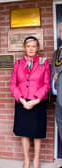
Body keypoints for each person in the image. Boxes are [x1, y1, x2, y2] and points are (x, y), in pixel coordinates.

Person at [10, 36, 50, 168]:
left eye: (33, 46)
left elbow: (46, 84)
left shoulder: (44, 62)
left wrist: (36, 100)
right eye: (28, 46)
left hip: (38, 101)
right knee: (24, 132)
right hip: (22, 101)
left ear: (37, 48)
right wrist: (21, 99)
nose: (31, 49)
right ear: (24, 48)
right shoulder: (18, 63)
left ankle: (36, 160)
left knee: (37, 132)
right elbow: (12, 84)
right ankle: (27, 160)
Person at [51, 22, 62, 168]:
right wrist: (54, 93)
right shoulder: (57, 52)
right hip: (59, 99)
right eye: (60, 31)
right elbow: (54, 73)